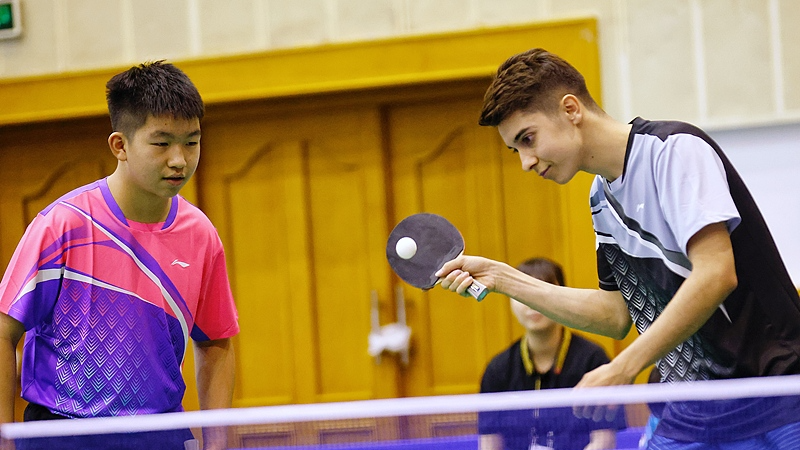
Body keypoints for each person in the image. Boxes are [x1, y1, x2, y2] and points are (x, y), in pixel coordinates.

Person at [435, 48, 800, 448]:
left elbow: (715, 274)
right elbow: (616, 315)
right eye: (515, 149)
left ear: (571, 109)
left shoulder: (673, 151)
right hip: (692, 410)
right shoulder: (601, 201)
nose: (525, 161)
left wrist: (624, 367)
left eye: (528, 139)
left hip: (776, 393)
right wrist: (504, 278)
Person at [0, 61, 239, 450]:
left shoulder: (201, 236)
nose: (179, 159)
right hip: (60, 435)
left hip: (158, 435)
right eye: (161, 143)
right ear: (120, 145)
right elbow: (3, 330)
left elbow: (216, 343)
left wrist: (217, 445)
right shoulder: (63, 225)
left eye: (191, 142)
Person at [479, 257, 626, 450]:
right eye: (523, 295)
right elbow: (490, 444)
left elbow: (604, 441)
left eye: (540, 293)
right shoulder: (498, 370)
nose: (532, 304)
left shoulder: (593, 359)